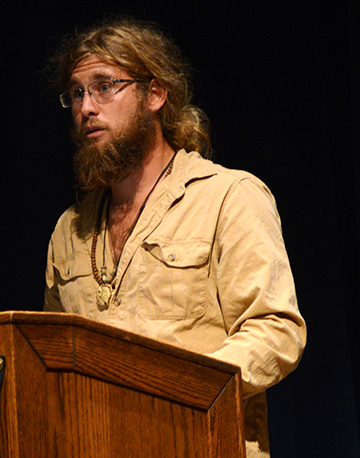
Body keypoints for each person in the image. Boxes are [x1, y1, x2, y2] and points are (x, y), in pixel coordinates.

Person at [43, 16, 306, 458]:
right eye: (76, 92)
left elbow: (276, 330)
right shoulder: (69, 229)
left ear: (156, 94)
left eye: (105, 85)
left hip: (200, 443)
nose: (87, 107)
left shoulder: (229, 197)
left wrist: (171, 389)